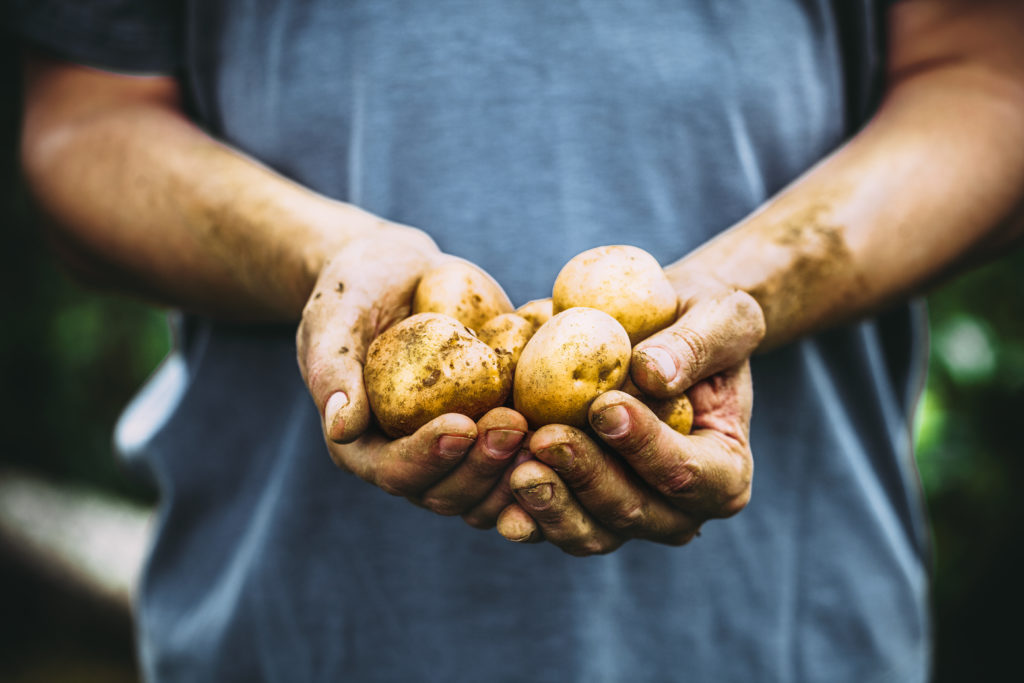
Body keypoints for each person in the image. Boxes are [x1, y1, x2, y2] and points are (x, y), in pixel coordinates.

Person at [14, 0, 1024, 680]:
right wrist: (323, 259)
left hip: (784, 630)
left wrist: (746, 289)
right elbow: (85, 121)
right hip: (297, 630)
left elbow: (990, 82)